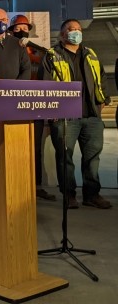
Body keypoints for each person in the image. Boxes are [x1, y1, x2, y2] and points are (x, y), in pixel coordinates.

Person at [39, 18, 111, 210]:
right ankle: (69, 195)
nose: (76, 33)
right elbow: (45, 85)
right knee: (65, 158)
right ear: (63, 35)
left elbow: (102, 79)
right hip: (64, 117)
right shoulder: (52, 56)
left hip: (91, 116)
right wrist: (51, 111)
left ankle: (91, 194)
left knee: (92, 158)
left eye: (79, 30)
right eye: (72, 30)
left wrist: (101, 103)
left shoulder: (91, 54)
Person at [8, 14, 55, 201]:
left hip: (35, 106)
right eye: (17, 28)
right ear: (11, 30)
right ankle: (14, 184)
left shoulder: (39, 52)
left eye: (24, 27)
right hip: (12, 105)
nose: (21, 30)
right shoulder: (7, 50)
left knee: (35, 149)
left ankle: (35, 186)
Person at [0, 7, 30, 80]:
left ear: (7, 21)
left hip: (15, 89)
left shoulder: (17, 43)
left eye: (3, 20)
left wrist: (18, 87)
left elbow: (26, 68)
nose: (0, 23)